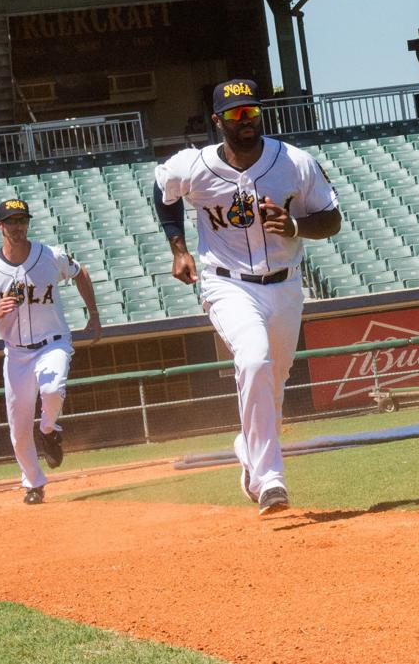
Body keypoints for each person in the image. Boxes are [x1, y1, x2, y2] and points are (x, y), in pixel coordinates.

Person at [153, 78, 341, 517]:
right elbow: (164, 192)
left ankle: (249, 449)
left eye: (252, 112)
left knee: (273, 381)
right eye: (237, 114)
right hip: (226, 282)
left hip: (286, 282)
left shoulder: (293, 161)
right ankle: (270, 478)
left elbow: (330, 218)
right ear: (218, 120)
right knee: (253, 360)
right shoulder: (192, 166)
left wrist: (296, 227)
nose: (247, 121)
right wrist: (178, 249)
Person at [0, 198, 102, 505]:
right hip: (16, 353)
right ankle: (34, 483)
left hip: (53, 341)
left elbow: (80, 272)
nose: (17, 226)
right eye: (10, 221)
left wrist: (93, 312)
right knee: (19, 426)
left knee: (53, 388)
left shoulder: (50, 255)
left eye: (21, 220)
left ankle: (50, 429)